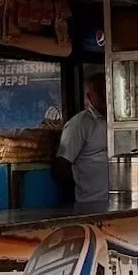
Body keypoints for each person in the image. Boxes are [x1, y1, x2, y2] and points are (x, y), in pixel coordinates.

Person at [53, 74, 109, 205]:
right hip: (92, 204)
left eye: (106, 89)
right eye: (99, 91)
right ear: (89, 97)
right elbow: (62, 166)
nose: (104, 95)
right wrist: (85, 183)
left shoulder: (122, 121)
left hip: (124, 203)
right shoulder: (79, 124)